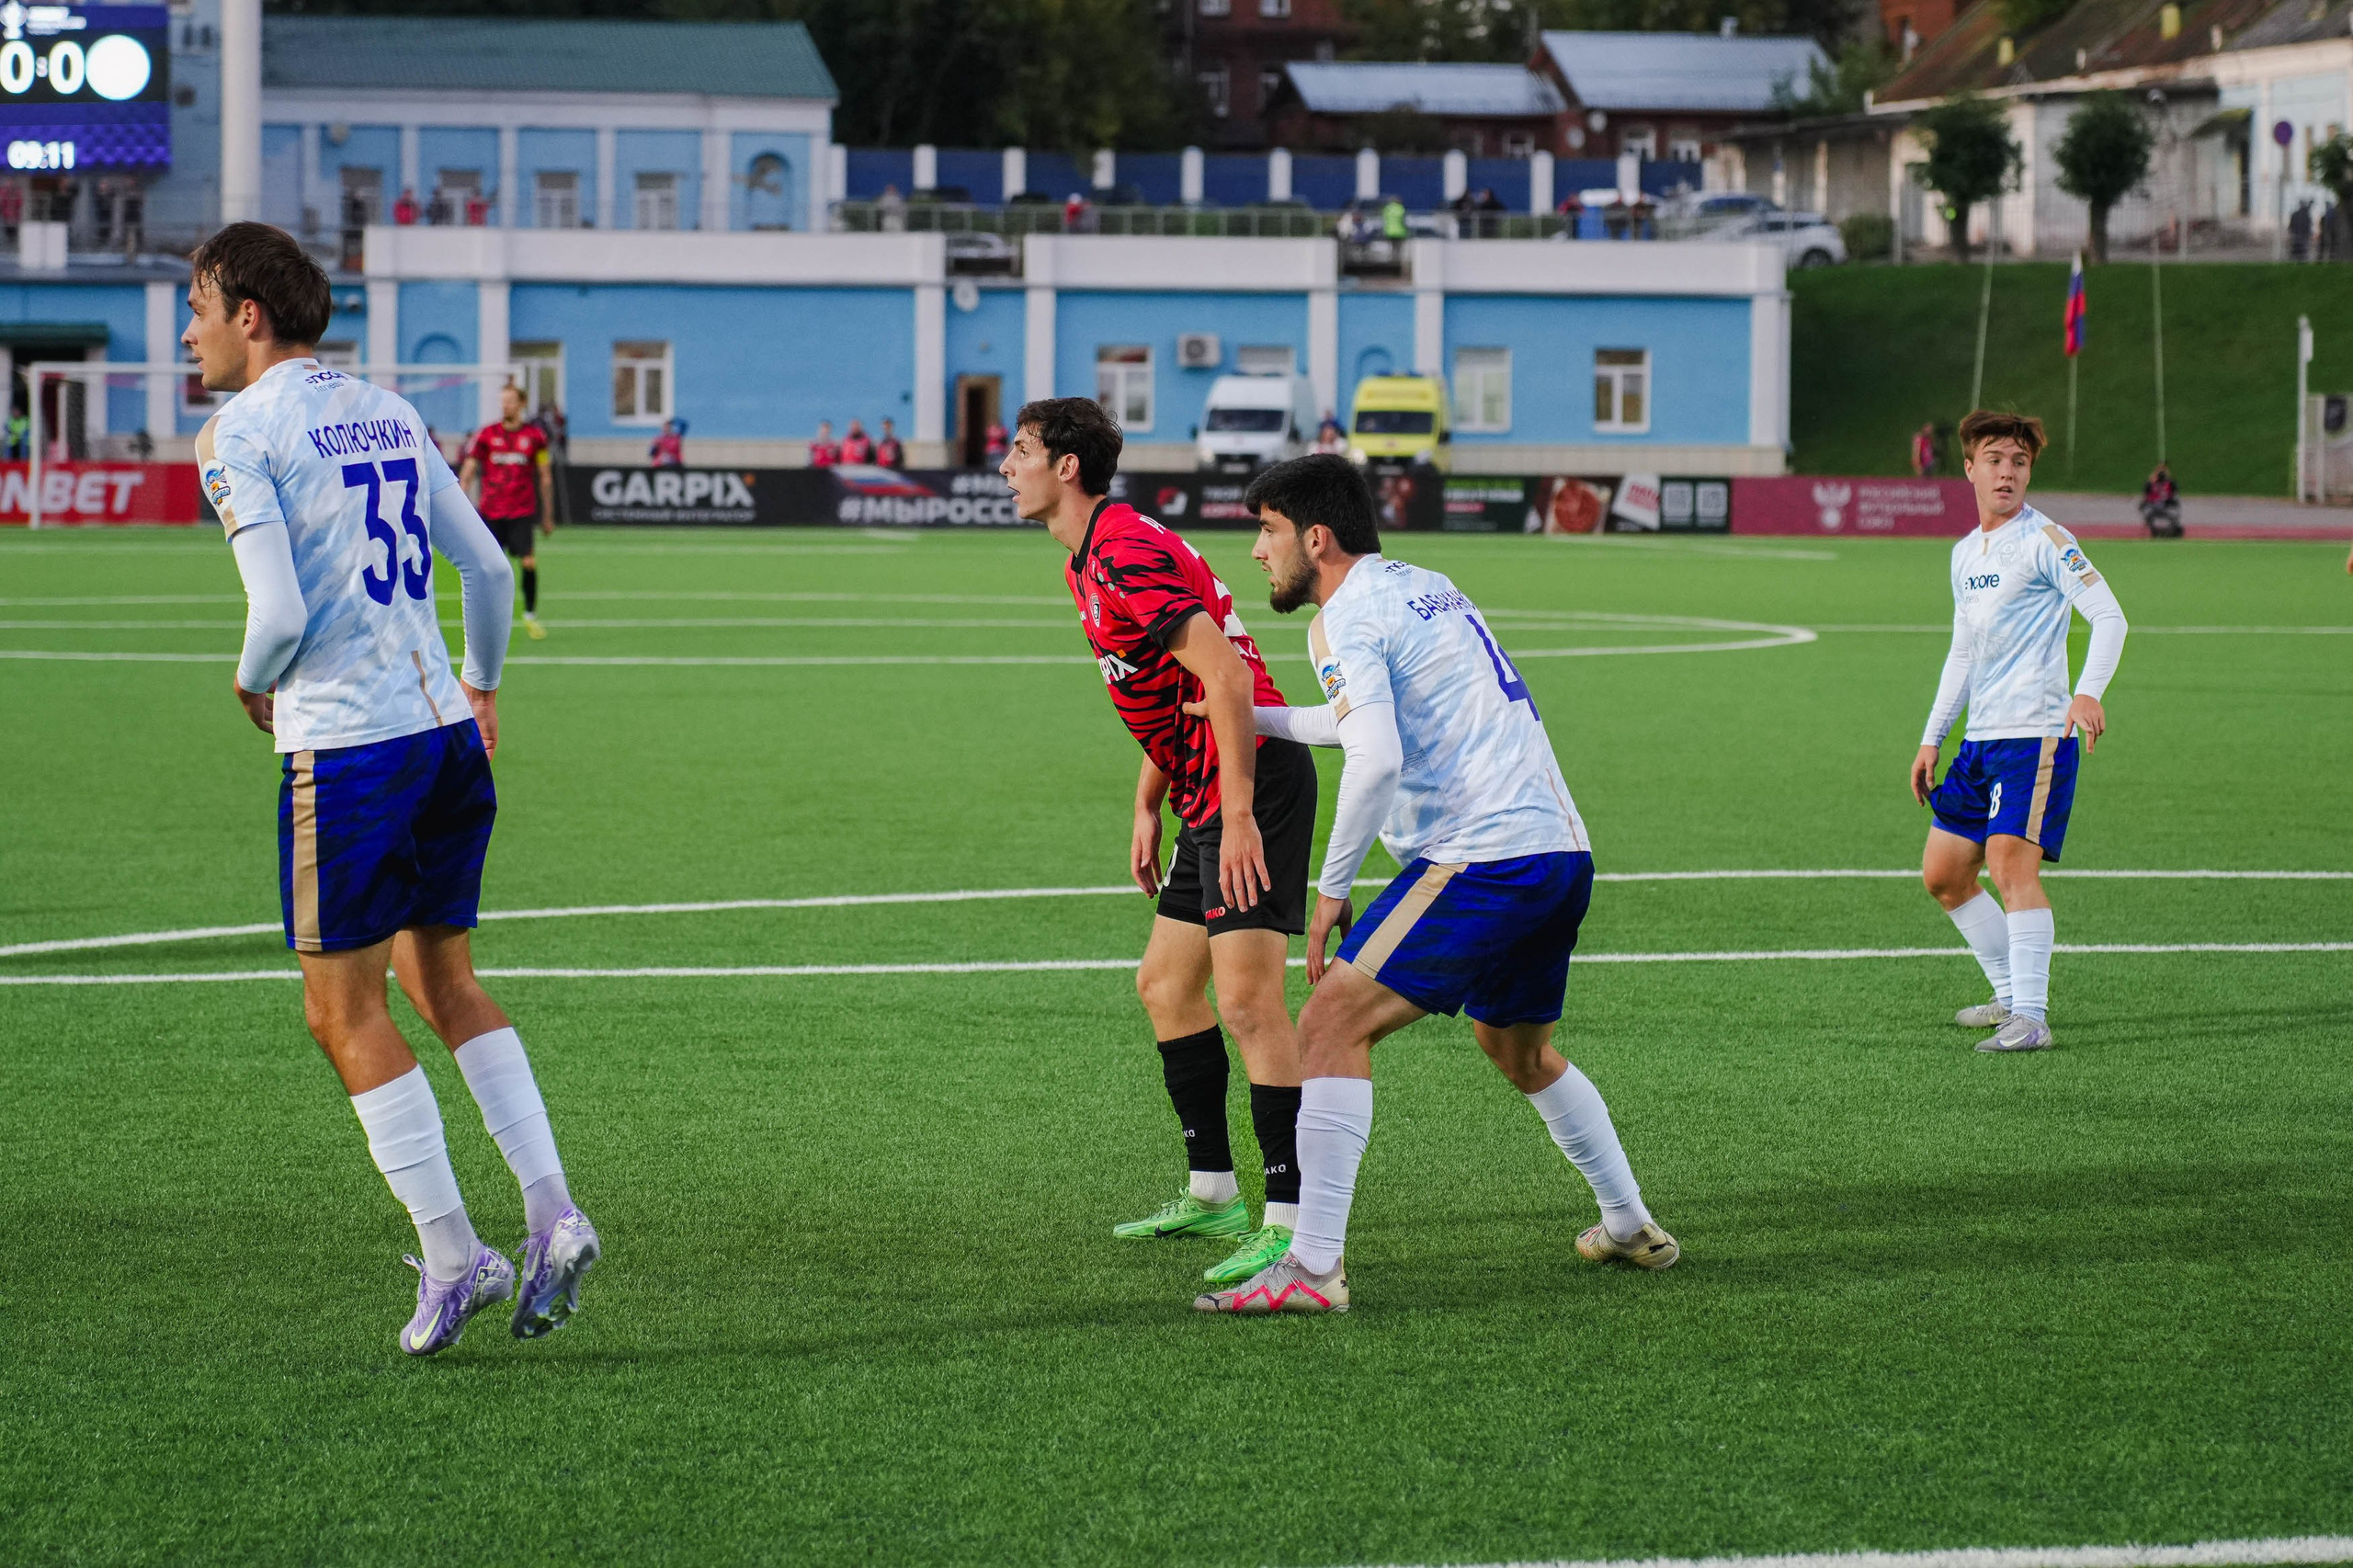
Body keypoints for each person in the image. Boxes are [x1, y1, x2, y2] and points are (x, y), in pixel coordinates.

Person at [187, 221, 598, 1356]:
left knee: (340, 1009)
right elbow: (482, 568)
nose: (190, 332)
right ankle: (553, 1205)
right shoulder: (387, 405)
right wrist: (483, 687)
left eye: (198, 308)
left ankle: (458, 1252)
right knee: (444, 978)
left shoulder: (239, 430)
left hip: (353, 753)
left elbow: (275, 617)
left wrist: (250, 679)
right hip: (441, 734)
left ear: (247, 312)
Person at [1194, 455, 1675, 1315]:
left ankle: (1311, 1269)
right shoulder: (1422, 585)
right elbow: (1361, 723)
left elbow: (1375, 758)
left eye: (1266, 531)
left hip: (1481, 857)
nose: (1257, 552)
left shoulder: (1345, 616)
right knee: (1516, 1049)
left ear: (1316, 536)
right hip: (1557, 853)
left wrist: (1332, 890)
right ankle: (1628, 1219)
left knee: (1330, 1020)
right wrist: (1250, 715)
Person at [999, 396, 1317, 1290]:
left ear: (1066, 465)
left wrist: (1238, 810)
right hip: (1205, 786)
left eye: (1019, 450)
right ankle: (1215, 1190)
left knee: (1250, 1003)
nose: (1006, 466)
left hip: (1251, 783)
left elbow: (1221, 674)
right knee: (1166, 985)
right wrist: (1151, 797)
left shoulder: (1124, 550)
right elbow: (1164, 685)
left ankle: (1290, 1226)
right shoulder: (1091, 553)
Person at [1912, 411, 2129, 1053]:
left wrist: (2087, 691)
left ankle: (2031, 1017)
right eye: (1996, 459)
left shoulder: (2047, 540)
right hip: (1980, 742)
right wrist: (1933, 736)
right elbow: (1962, 653)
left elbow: (2109, 616)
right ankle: (2008, 993)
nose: (2008, 472)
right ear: (1970, 468)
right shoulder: (1964, 553)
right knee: (1944, 874)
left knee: (2010, 867)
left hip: (2035, 736)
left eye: (2020, 462)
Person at [460, 383, 555, 641]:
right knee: (490, 569)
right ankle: (486, 620)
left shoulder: (536, 438)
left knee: (528, 562)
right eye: (503, 401)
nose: (506, 406)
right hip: (491, 512)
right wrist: (462, 501)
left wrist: (548, 515)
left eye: (511, 401)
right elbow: (468, 472)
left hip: (522, 511)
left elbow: (545, 477)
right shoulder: (486, 435)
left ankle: (530, 615)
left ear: (522, 403)